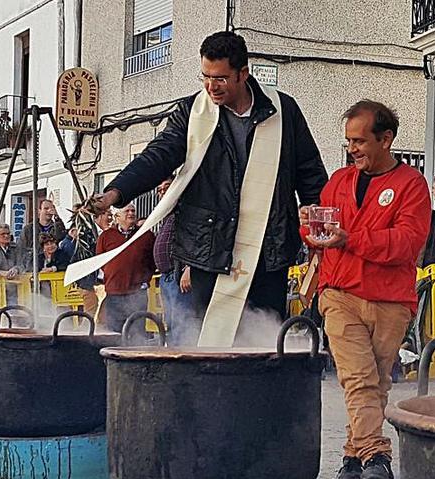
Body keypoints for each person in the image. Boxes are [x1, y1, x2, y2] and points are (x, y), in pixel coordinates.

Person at [83, 31, 327, 342]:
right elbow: (158, 155)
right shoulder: (192, 112)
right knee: (206, 345)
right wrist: (115, 193)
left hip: (267, 255)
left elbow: (310, 174)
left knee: (263, 343)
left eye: (221, 78)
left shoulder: (284, 111)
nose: (211, 86)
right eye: (206, 76)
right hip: (208, 252)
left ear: (243, 74)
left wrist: (319, 229)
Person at [305, 100, 429, 479]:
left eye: (359, 141)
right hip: (338, 294)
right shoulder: (337, 182)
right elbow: (321, 231)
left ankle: (351, 455)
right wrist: (310, 229)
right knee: (358, 378)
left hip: (390, 301)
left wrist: (351, 240)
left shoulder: (411, 185)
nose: (352, 148)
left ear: (386, 138)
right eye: (349, 141)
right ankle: (377, 455)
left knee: (374, 384)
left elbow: (408, 244)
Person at [97, 204, 156, 333]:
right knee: (114, 334)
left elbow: (152, 261)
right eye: (127, 211)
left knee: (137, 332)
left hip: (137, 293)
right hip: (114, 294)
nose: (131, 213)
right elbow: (100, 260)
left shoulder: (146, 235)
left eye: (133, 210)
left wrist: (144, 279)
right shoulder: (106, 236)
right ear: (117, 216)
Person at [152, 180, 193, 345]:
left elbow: (194, 240)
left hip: (179, 275)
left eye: (166, 188)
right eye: (159, 190)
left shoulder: (185, 213)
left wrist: (189, 268)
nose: (162, 193)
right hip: (167, 276)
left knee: (182, 323)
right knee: (171, 322)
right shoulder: (168, 216)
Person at [67, 195, 106, 317]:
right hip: (89, 281)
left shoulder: (104, 233)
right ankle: (85, 335)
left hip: (102, 282)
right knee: (91, 314)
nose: (110, 217)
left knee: (101, 316)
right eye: (106, 213)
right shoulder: (86, 233)